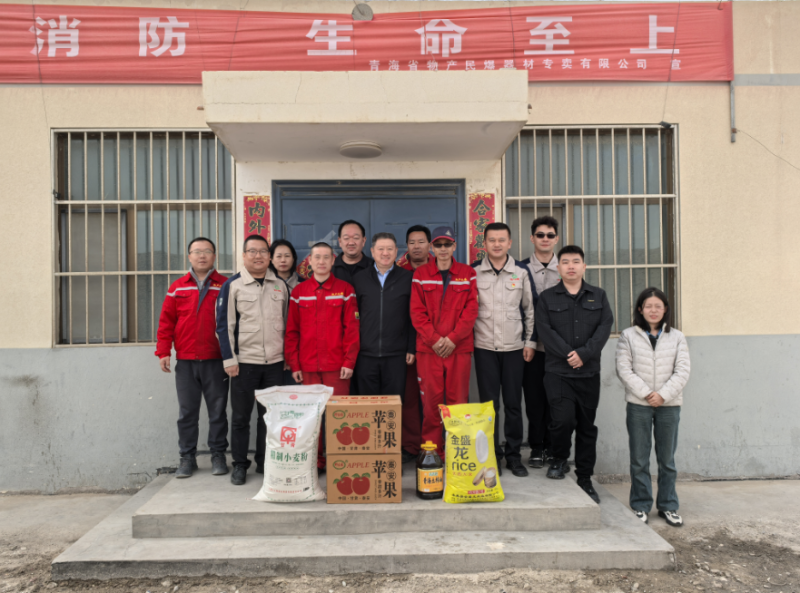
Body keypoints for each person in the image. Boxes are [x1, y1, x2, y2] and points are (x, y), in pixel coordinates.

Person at [535, 245, 613, 504]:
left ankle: (585, 477)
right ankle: (559, 458)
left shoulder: (598, 296)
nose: (571, 266)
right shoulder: (547, 298)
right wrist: (570, 354)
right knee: (562, 421)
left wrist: (585, 354)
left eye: (576, 261)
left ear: (584, 266)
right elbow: (544, 330)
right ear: (558, 268)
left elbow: (604, 327)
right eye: (566, 262)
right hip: (558, 372)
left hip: (588, 373)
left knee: (587, 427)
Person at [216, 235, 289, 486]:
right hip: (244, 364)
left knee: (269, 418)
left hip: (275, 364)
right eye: (252, 251)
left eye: (263, 251)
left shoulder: (280, 285)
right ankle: (239, 464)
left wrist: (287, 357)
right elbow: (223, 326)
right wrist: (229, 359)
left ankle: (265, 461)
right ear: (244, 256)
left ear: (269, 256)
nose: (258, 256)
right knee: (241, 418)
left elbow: (288, 323)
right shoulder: (233, 285)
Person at [155, 237, 230, 479]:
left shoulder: (225, 285)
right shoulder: (178, 287)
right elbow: (166, 322)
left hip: (216, 360)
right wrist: (164, 351)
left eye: (207, 251)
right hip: (186, 361)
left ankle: (218, 455)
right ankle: (187, 458)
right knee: (187, 413)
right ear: (189, 256)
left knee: (218, 412)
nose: (202, 255)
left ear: (214, 256)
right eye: (197, 251)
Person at [616, 287, 690, 527]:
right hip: (639, 404)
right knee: (639, 459)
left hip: (669, 405)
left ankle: (668, 505)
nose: (653, 310)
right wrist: (648, 394)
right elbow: (624, 369)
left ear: (665, 309)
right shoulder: (628, 336)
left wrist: (663, 395)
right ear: (640, 309)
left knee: (667, 460)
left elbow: (683, 371)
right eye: (648, 306)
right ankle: (640, 504)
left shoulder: (677, 337)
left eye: (658, 306)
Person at [285, 242, 360, 469]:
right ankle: (315, 462)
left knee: (340, 417)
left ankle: (340, 461)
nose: (321, 261)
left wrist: (349, 361)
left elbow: (352, 329)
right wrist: (295, 365)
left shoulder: (345, 290)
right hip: (308, 366)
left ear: (333, 260)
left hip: (337, 367)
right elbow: (292, 332)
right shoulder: (299, 292)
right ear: (309, 260)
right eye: (317, 257)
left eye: (326, 257)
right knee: (311, 418)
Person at [471, 223, 536, 478]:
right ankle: (492, 456)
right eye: (492, 240)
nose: (496, 244)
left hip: (514, 349)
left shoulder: (520, 272)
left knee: (512, 404)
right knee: (489, 406)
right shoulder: (474, 272)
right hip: (484, 347)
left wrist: (530, 342)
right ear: (484, 243)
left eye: (501, 240)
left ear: (509, 243)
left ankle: (513, 456)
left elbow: (530, 310)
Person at [410, 226, 479, 458]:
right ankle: (432, 453)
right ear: (432, 247)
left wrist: (452, 339)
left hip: (458, 350)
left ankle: (457, 454)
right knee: (431, 405)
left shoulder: (467, 273)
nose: (442, 249)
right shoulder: (420, 275)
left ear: (454, 246)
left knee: (457, 404)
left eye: (447, 244)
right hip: (429, 351)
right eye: (438, 245)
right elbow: (416, 312)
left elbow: (471, 310)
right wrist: (435, 340)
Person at [520, 215, 562, 469]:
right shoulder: (520, 269)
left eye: (550, 235)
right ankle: (536, 446)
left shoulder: (565, 267)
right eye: (540, 235)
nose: (545, 239)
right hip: (531, 347)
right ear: (532, 238)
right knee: (534, 398)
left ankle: (553, 448)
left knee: (556, 399)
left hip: (559, 348)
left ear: (556, 239)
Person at [352, 232, 415, 397]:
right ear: (372, 251)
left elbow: (413, 316)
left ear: (396, 251)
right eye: (380, 249)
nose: (385, 253)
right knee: (368, 404)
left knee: (393, 405)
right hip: (365, 354)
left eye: (389, 249)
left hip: (397, 354)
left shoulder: (408, 278)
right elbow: (352, 317)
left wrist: (411, 347)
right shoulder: (359, 279)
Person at [397, 225, 435, 462]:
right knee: (410, 397)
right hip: (408, 346)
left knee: (435, 398)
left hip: (436, 344)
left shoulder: (441, 269)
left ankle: (436, 445)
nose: (417, 247)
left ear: (429, 245)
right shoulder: (400, 273)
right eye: (412, 242)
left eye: (421, 242)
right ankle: (412, 445)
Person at [270, 239, 303, 385]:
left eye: (287, 256)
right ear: (271, 259)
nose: (283, 260)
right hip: (272, 353)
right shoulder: (264, 285)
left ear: (294, 258)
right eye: (278, 256)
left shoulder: (304, 285)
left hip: (299, 351)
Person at [333, 220, 373, 286]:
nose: (351, 243)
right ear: (340, 241)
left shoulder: (374, 267)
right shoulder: (330, 267)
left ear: (363, 241)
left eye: (356, 238)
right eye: (346, 238)